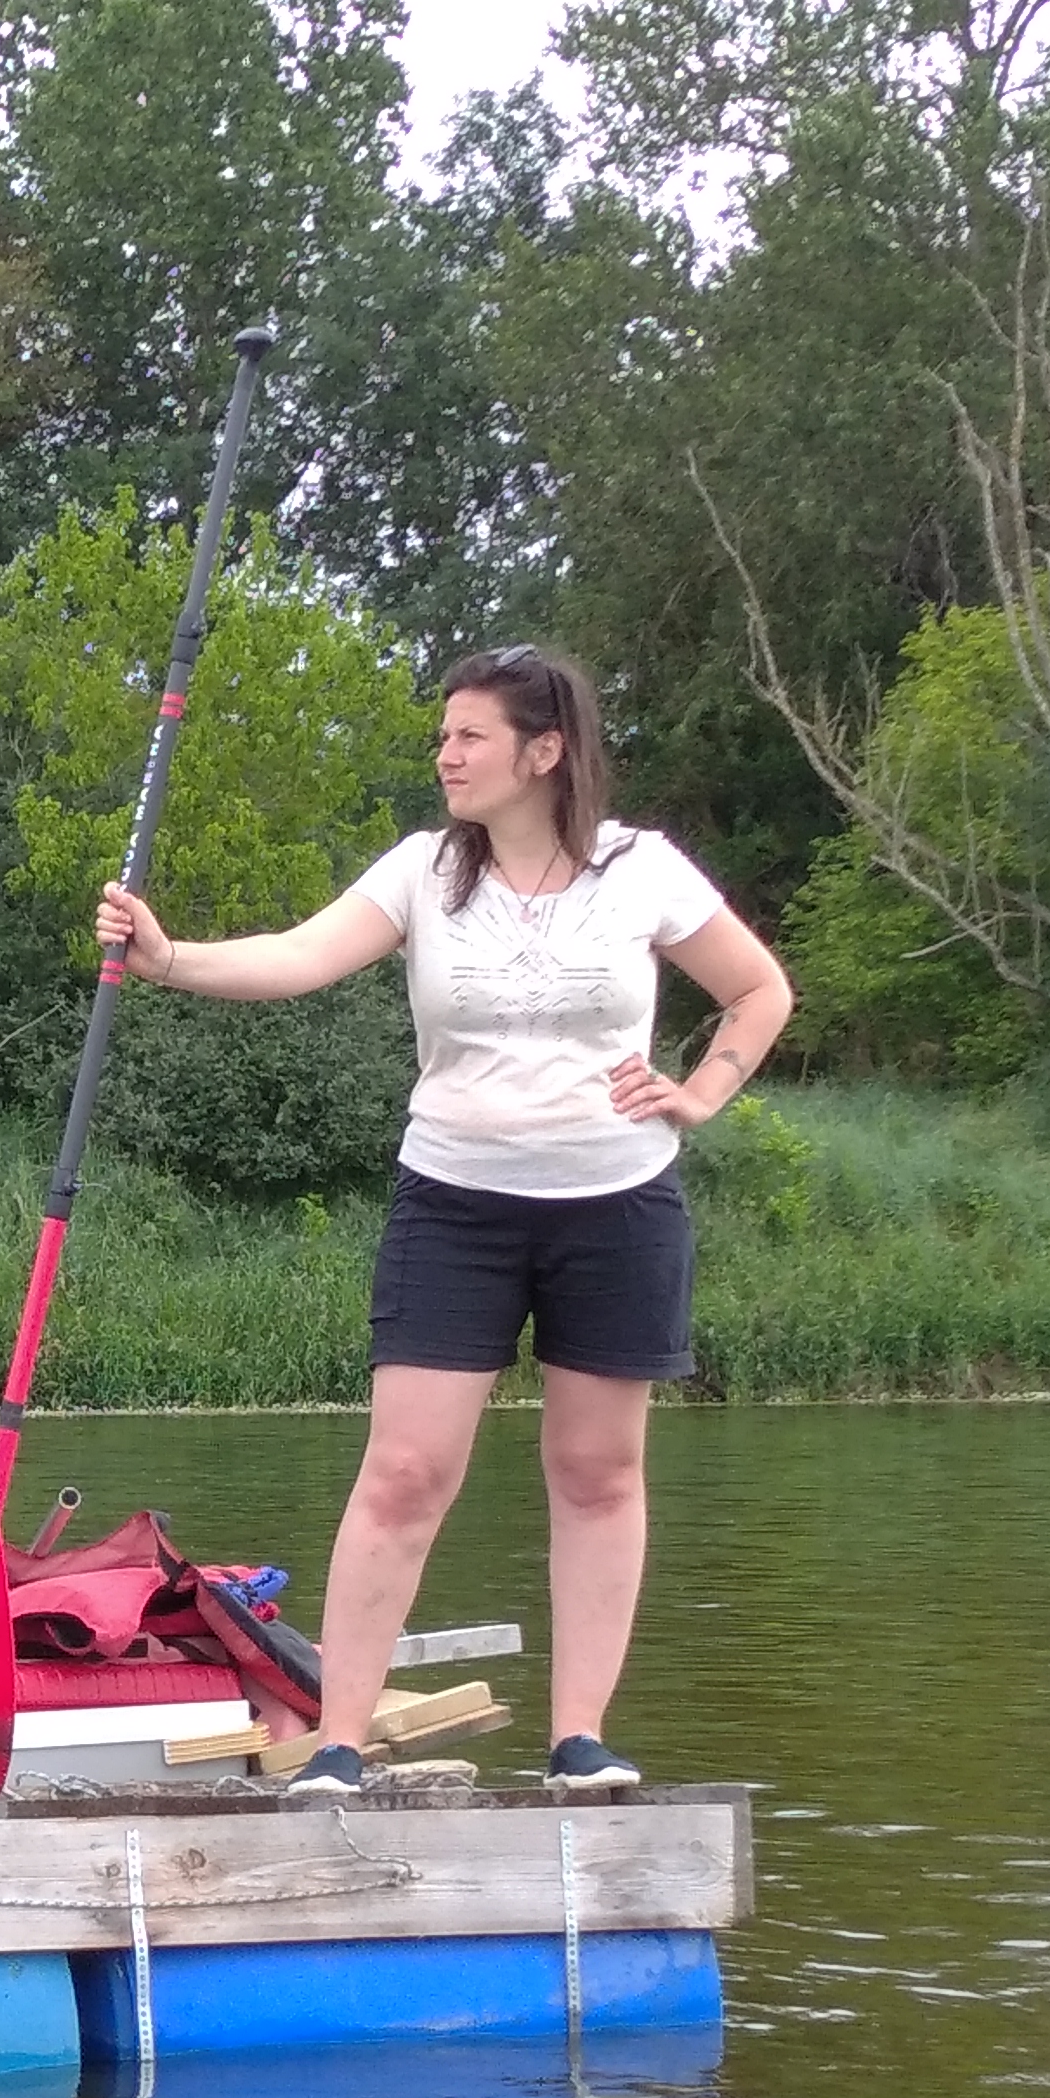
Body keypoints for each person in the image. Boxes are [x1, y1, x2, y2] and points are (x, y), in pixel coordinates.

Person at [95, 641, 793, 1794]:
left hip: (617, 1205)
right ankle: (341, 1743)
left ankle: (579, 1738)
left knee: (598, 1471)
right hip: (455, 1203)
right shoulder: (424, 869)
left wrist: (703, 1091)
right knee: (406, 1471)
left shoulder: (641, 869)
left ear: (545, 751)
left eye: (470, 735)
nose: (447, 755)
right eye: (444, 735)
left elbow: (759, 989)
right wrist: (169, 958)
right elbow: (301, 955)